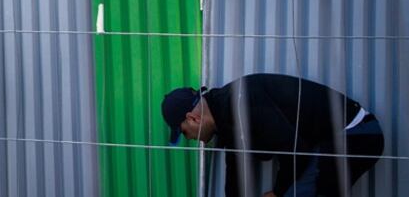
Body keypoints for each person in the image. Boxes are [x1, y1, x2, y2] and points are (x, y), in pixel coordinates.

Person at [162, 73, 384, 197]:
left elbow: (295, 150)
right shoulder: (224, 116)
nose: (189, 138)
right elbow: (237, 172)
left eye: (183, 132)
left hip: (356, 134)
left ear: (193, 118)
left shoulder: (241, 101)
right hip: (331, 143)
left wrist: (277, 192)